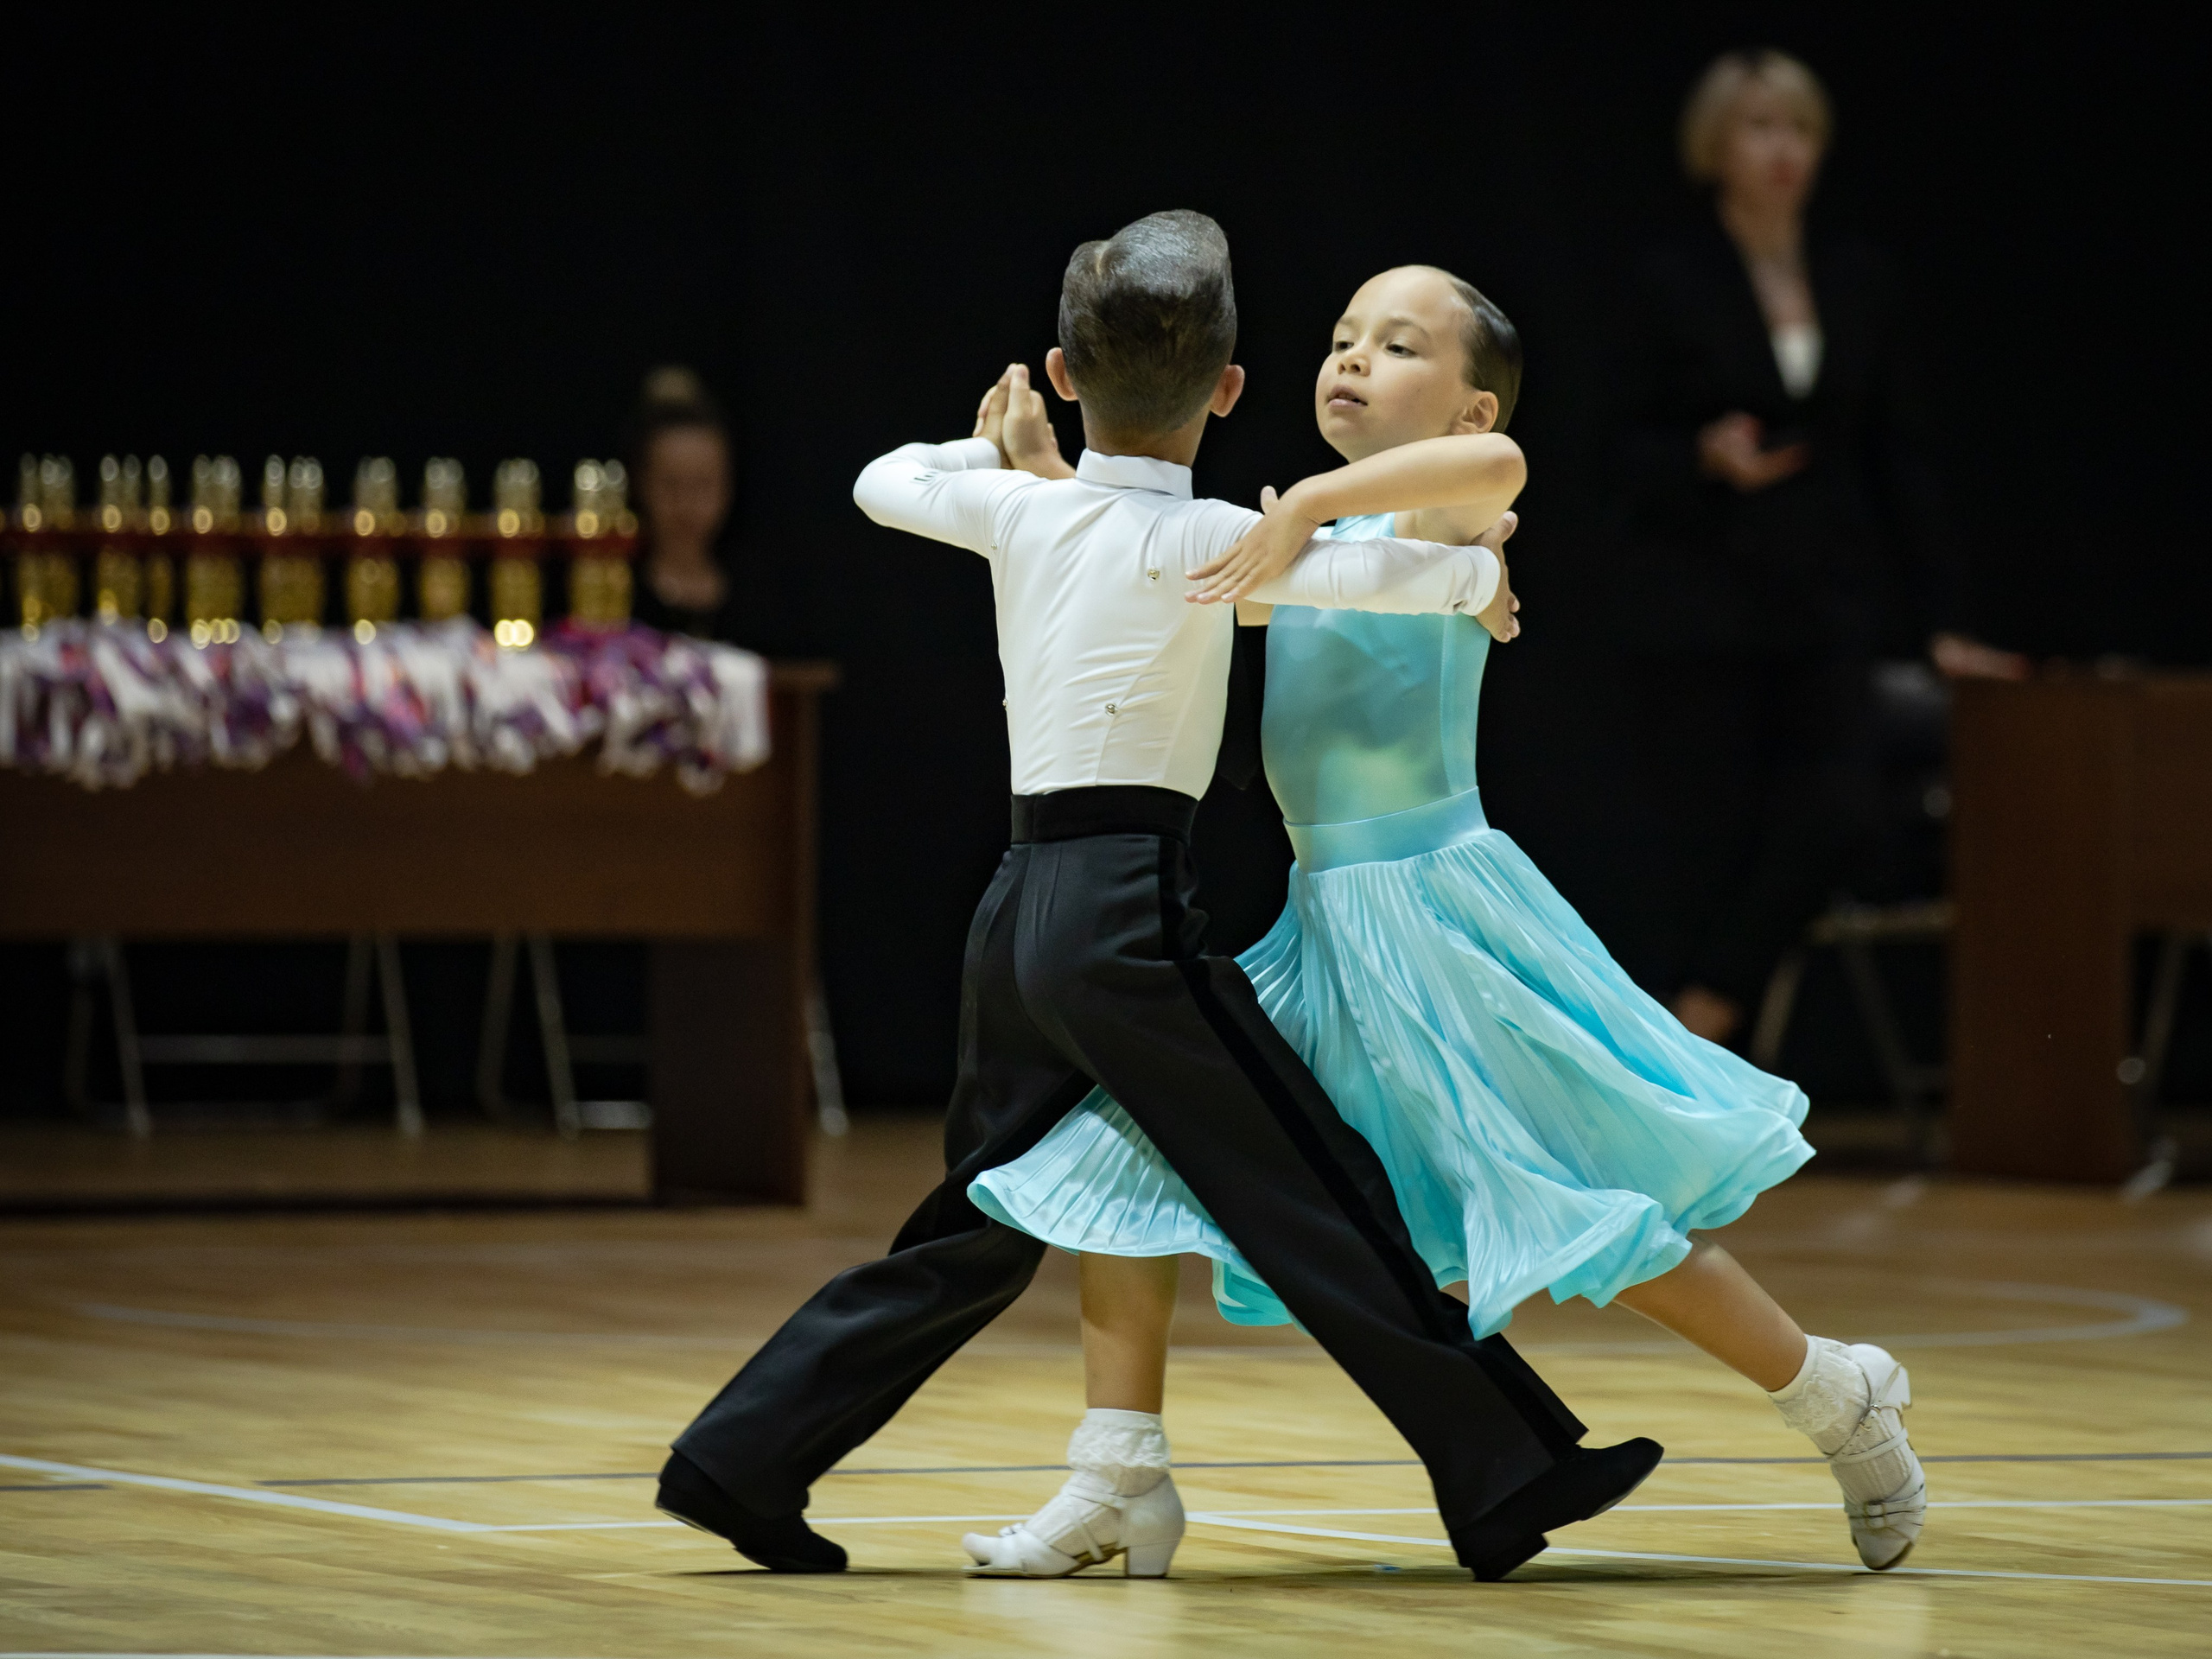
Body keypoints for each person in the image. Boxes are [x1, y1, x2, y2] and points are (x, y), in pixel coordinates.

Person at [652, 211, 1661, 1583]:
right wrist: (1479, 582)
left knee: (978, 1224)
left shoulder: (1021, 507)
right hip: (1128, 920)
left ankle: (740, 1458)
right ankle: (1509, 1471)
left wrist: (1002, 454)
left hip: (1014, 913)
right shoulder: (1210, 539)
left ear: (1065, 373)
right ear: (1232, 389)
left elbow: (883, 482)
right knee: (1315, 1186)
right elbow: (1405, 574)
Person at [970, 264, 1926, 1578]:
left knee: (1570, 1216)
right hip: (1323, 930)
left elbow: (1507, 472)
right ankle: (1116, 1471)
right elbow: (1155, 574)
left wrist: (1305, 500)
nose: (1353, 357)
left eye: (1399, 344)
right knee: (1133, 1154)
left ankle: (1830, 1389)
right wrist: (1048, 477)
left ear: (1469, 405)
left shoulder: (1443, 498)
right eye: (1345, 335)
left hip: (1438, 920)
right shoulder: (1300, 538)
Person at [1611, 50, 2026, 1046]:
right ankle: (1706, 1081)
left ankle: (1699, 1022)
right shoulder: (1669, 279)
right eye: (1759, 127)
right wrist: (1704, 457)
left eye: (1797, 127)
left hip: (1824, 603)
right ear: (1714, 147)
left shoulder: (1855, 279)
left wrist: (1938, 623)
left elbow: (1898, 461)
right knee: (1714, 841)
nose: (1782, 149)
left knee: (1838, 811)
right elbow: (1614, 449)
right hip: (1703, 605)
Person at [626, 366, 742, 641]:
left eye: (703, 485)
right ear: (641, 484)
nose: (686, 505)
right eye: (671, 484)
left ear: (728, 487)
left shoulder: (764, 596)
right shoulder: (619, 595)